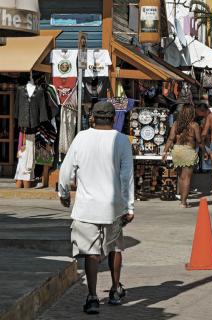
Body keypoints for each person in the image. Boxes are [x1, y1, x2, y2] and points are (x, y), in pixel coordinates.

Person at [57, 101, 134, 314]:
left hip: (86, 207)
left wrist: (63, 194)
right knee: (115, 248)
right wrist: (130, 207)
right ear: (113, 119)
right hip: (114, 207)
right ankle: (115, 290)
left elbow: (65, 170)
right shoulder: (121, 140)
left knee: (91, 252)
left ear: (92, 117)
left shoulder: (81, 138)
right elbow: (127, 176)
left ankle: (92, 297)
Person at [162, 104, 202, 208]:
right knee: (187, 178)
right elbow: (199, 140)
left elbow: (170, 139)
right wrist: (205, 151)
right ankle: (183, 202)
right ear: (192, 113)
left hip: (177, 151)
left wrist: (165, 152)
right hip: (188, 151)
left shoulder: (176, 124)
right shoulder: (194, 125)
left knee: (181, 177)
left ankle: (182, 199)